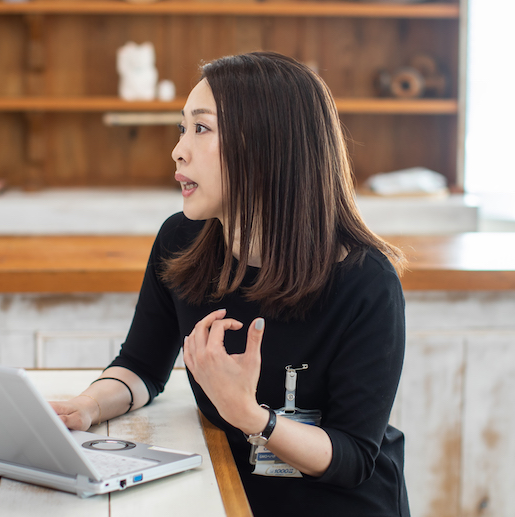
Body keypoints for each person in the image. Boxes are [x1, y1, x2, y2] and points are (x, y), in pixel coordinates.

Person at [50, 51, 409, 516]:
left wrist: (250, 416)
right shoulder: (179, 240)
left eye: (201, 129)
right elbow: (141, 365)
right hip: (231, 498)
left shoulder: (366, 283)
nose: (179, 151)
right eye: (183, 128)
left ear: (266, 148)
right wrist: (89, 405)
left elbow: (354, 457)